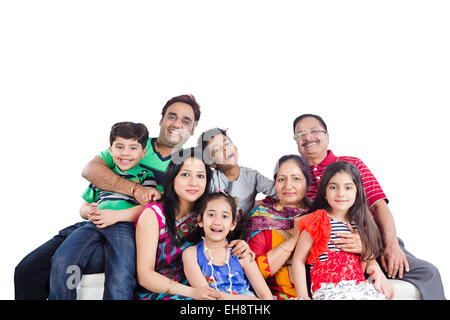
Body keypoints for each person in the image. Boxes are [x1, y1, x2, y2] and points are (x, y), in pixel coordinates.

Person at [14, 94, 201, 300]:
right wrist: (133, 191)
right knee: (27, 271)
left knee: (84, 265)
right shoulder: (134, 143)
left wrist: (118, 214)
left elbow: (166, 208)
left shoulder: (187, 165)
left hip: (131, 231)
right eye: (171, 116)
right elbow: (91, 170)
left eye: (185, 121)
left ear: (193, 129)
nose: (176, 124)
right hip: (92, 222)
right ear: (161, 119)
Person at [292, 113, 446, 300]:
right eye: (300, 134)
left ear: (327, 136)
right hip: (329, 256)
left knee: (428, 273)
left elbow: (379, 206)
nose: (307, 137)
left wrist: (389, 246)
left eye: (314, 131)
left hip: (374, 241)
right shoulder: (296, 177)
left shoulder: (352, 165)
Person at [49, 122, 155, 300]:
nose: (125, 153)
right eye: (119, 147)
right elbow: (83, 207)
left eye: (133, 148)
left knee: (122, 271)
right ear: (110, 150)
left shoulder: (145, 176)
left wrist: (116, 216)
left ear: (143, 153)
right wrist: (88, 212)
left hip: (124, 226)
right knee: (63, 258)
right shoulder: (103, 176)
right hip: (94, 224)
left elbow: (149, 209)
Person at [135, 147, 253, 300]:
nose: (193, 183)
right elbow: (144, 275)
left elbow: (220, 237)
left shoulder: (207, 213)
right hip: (164, 292)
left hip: (204, 287)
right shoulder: (154, 215)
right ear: (173, 178)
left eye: (200, 176)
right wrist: (192, 293)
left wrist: (239, 245)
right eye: (185, 174)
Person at [292, 161, 392, 300]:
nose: (340, 193)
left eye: (348, 188)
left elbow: (367, 261)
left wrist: (375, 272)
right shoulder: (317, 221)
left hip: (357, 287)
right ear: (325, 193)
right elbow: (298, 260)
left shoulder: (361, 225)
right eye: (333, 187)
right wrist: (302, 295)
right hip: (329, 289)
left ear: (357, 192)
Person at [182, 191, 273, 300]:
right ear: (200, 220)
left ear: (233, 224)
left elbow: (265, 295)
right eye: (211, 214)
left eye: (224, 216)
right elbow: (207, 296)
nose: (217, 222)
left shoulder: (240, 253)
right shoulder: (191, 254)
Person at [245, 155, 311, 300]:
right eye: (281, 179)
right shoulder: (262, 216)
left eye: (296, 179)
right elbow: (255, 272)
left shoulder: (319, 214)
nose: (288, 185)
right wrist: (295, 237)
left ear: (308, 184)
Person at [198, 128, 276, 239]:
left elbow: (278, 191)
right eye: (217, 149)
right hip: (218, 230)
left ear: (235, 149)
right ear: (212, 163)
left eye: (227, 144)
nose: (225, 149)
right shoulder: (213, 179)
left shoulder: (252, 176)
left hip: (243, 230)